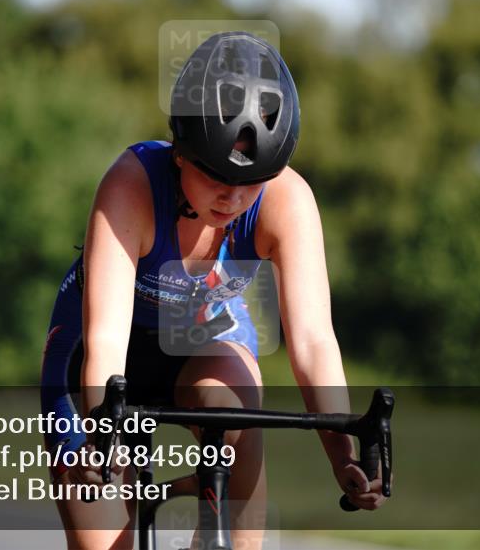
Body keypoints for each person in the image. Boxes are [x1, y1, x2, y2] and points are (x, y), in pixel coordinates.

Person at [40, 31, 386, 550]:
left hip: (200, 341)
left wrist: (343, 454)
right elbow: (107, 339)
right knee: (103, 539)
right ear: (180, 152)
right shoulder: (130, 185)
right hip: (96, 353)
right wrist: (99, 436)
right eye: (217, 174)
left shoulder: (287, 200)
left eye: (254, 180)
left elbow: (313, 342)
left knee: (237, 411)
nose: (233, 196)